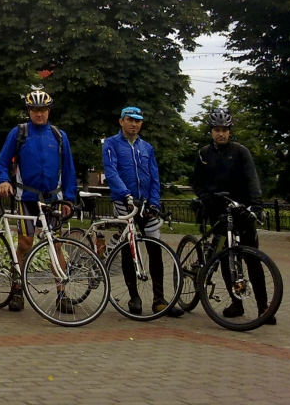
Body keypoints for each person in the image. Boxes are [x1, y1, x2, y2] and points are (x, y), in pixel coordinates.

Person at [0, 86, 77, 312]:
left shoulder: (59, 136)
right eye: (34, 110)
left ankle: (62, 294)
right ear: (29, 111)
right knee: (25, 243)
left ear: (49, 111)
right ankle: (17, 289)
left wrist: (69, 198)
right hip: (26, 197)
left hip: (53, 199)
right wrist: (3, 180)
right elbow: (1, 161)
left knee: (56, 245)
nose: (39, 114)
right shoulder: (19, 133)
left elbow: (69, 169)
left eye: (43, 110)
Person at [191, 108, 275, 324]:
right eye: (217, 130)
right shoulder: (204, 154)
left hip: (241, 210)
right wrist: (205, 197)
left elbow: (252, 180)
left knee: (253, 259)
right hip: (218, 212)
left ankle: (264, 308)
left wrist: (256, 207)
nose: (221, 134)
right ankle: (236, 303)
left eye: (225, 130)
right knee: (225, 258)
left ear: (229, 132)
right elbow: (196, 181)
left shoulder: (240, 152)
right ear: (211, 131)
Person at [102, 106, 183, 317]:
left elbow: (155, 177)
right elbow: (111, 172)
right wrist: (126, 195)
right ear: (121, 121)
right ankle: (134, 297)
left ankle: (159, 300)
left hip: (146, 203)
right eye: (130, 119)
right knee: (128, 249)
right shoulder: (111, 143)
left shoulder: (147, 147)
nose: (134, 124)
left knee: (155, 248)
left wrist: (154, 202)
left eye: (138, 121)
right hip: (124, 202)